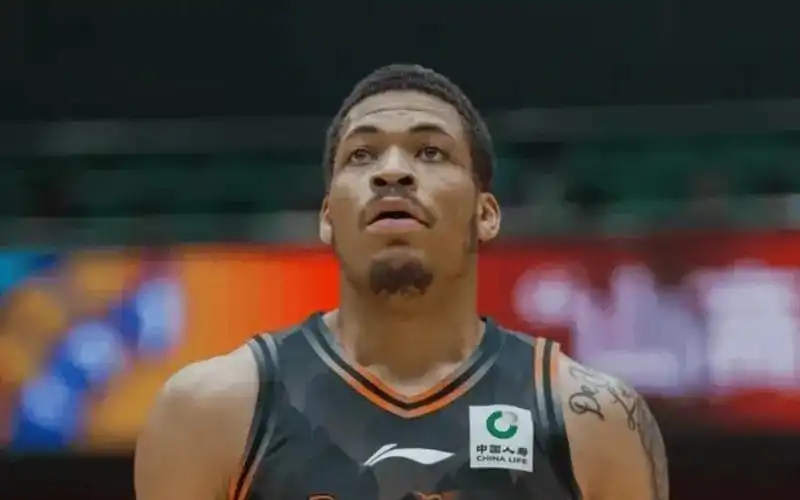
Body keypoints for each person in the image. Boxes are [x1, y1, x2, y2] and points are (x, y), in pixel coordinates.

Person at [134, 64, 668, 500]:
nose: (391, 171)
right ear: (327, 217)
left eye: (430, 152)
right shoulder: (209, 412)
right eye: (361, 155)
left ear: (485, 214)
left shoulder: (594, 419)